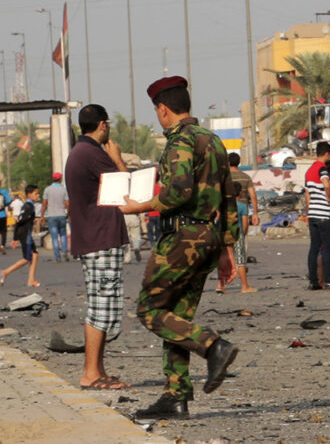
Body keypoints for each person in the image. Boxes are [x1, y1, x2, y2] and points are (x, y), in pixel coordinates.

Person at [119, 76, 240, 421]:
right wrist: (227, 249)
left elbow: (178, 193)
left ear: (163, 109)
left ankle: (214, 346)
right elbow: (230, 199)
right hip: (209, 238)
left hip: (182, 240)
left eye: (157, 110)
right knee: (177, 319)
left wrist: (137, 207)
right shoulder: (213, 141)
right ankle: (175, 396)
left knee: (150, 311)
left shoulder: (178, 143)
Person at [64, 104, 132, 390]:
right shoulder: (94, 155)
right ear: (103, 125)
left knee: (103, 304)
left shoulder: (81, 153)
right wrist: (117, 159)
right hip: (100, 239)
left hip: (95, 237)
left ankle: (97, 370)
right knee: (102, 306)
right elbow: (127, 189)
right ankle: (90, 373)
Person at [304, 142, 330, 290]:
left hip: (313, 213)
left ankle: (314, 280)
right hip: (325, 213)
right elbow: (326, 184)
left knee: (314, 248)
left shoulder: (309, 170)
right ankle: (329, 280)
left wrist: (308, 212)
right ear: (327, 153)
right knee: (327, 249)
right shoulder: (322, 169)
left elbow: (307, 196)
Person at [226, 153, 257, 293]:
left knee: (226, 252)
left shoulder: (224, 178)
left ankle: (222, 283)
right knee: (241, 250)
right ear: (239, 162)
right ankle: (243, 281)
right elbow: (253, 196)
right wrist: (255, 214)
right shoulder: (246, 177)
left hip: (227, 217)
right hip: (241, 216)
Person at [1, 185, 41, 287]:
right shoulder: (28, 206)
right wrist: (15, 238)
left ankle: (31, 280)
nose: (38, 195)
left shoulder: (28, 205)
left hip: (26, 234)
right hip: (25, 235)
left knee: (35, 254)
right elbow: (20, 221)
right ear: (29, 194)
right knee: (26, 258)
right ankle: (5, 272)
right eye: (36, 193)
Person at [43, 172, 70, 262]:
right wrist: (69, 214)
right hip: (62, 214)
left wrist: (42, 215)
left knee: (54, 237)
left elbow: (44, 203)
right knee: (63, 234)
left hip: (51, 215)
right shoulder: (63, 190)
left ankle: (57, 257)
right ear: (61, 179)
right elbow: (67, 204)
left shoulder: (47, 189)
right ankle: (65, 251)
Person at [0, 186, 10, 256]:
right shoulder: (4, 191)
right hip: (2, 214)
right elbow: (9, 201)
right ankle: (2, 246)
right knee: (3, 231)